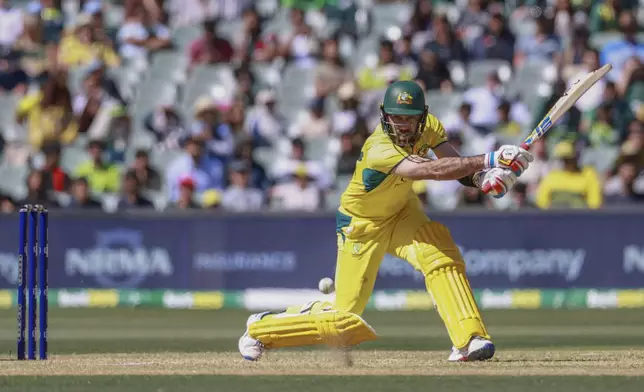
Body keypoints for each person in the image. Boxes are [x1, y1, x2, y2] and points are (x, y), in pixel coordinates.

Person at [238, 80, 533, 362]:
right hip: (361, 225)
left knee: (439, 252)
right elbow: (429, 171)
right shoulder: (379, 147)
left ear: (423, 117)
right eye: (396, 117)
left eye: (409, 118)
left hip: (403, 211)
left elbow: (455, 166)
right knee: (344, 318)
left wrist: (486, 178)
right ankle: (261, 328)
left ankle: (469, 340)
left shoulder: (429, 128)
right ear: (384, 115)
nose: (402, 125)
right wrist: (491, 159)